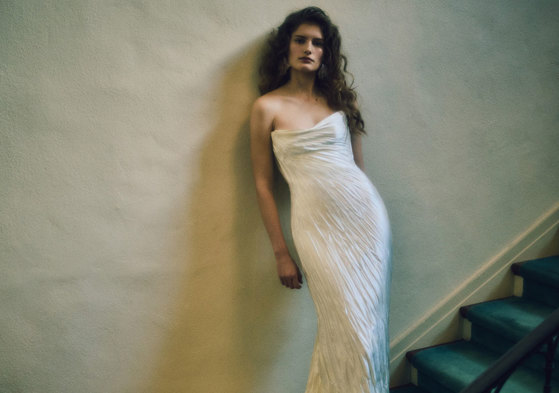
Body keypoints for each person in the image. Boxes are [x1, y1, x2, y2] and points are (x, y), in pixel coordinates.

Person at [250, 6, 392, 393]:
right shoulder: (267, 107)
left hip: (365, 222)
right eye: (301, 40)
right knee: (343, 326)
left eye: (318, 42)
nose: (309, 48)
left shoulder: (344, 102)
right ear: (287, 46)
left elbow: (358, 171)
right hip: (315, 229)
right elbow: (263, 184)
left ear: (327, 52)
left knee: (368, 331)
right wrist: (281, 252)